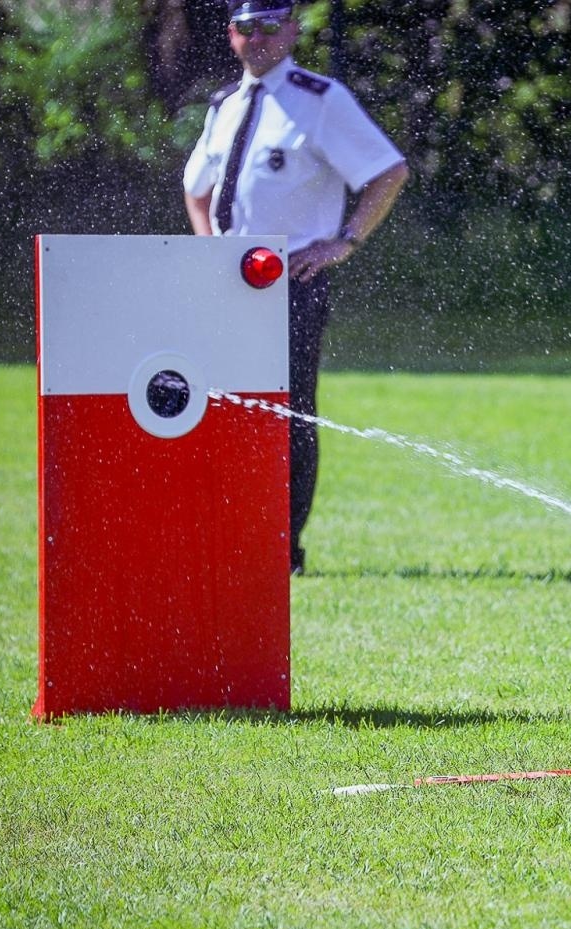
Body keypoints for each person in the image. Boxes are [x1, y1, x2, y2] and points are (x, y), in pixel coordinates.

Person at [183, 0, 409, 575]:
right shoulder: (225, 105)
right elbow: (196, 187)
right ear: (231, 34)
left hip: (290, 282)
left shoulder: (320, 99)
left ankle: (283, 547)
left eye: (269, 26)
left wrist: (345, 241)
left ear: (292, 30)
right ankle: (231, 534)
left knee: (289, 415)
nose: (257, 38)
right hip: (225, 286)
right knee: (223, 410)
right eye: (246, 27)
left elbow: (389, 172)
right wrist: (209, 248)